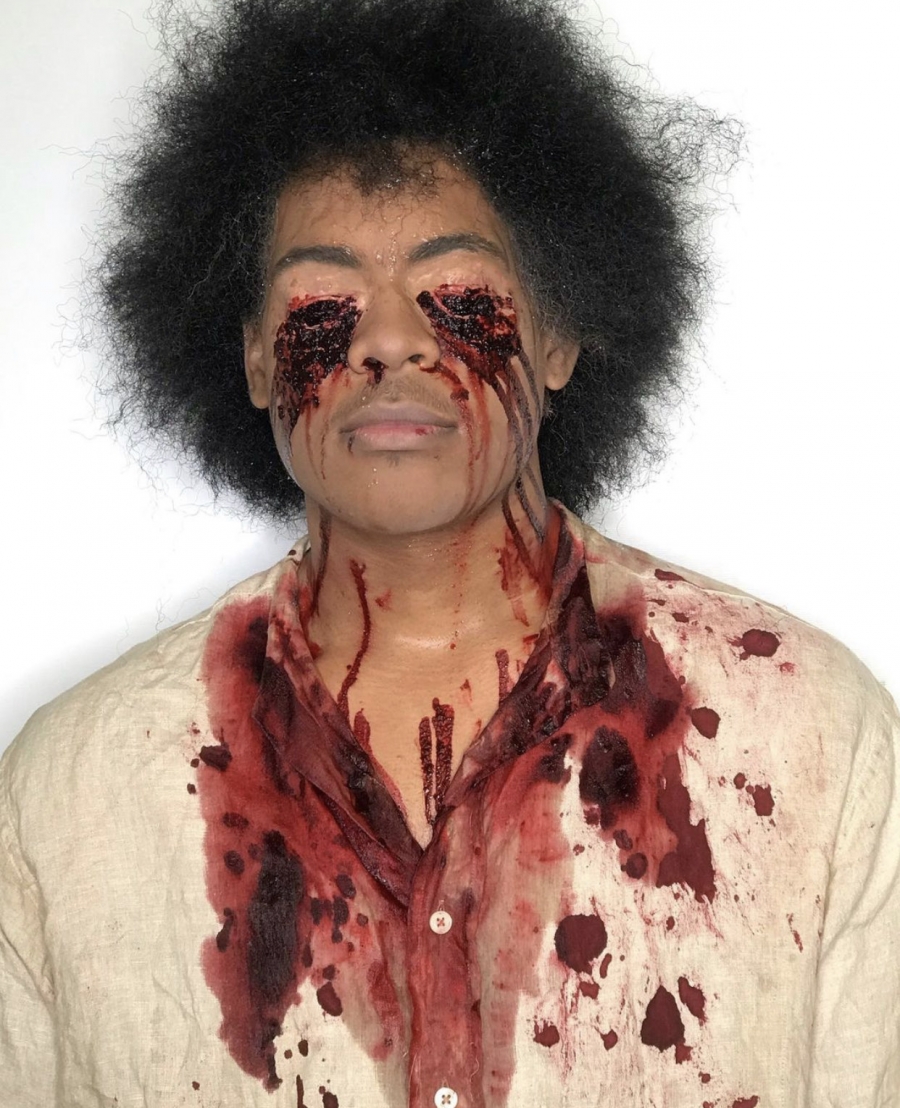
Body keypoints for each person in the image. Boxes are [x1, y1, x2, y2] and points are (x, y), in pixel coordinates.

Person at [1, 1, 897, 1106]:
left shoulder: (810, 737)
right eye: (324, 297)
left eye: (455, 290)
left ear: (559, 334)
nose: (387, 338)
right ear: (253, 358)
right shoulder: (68, 799)